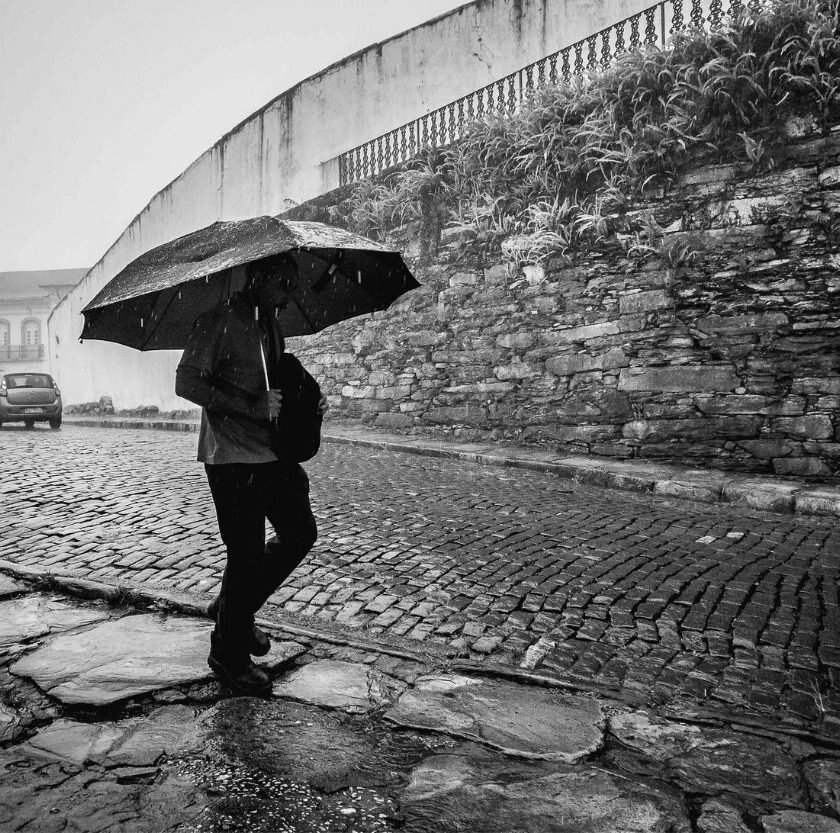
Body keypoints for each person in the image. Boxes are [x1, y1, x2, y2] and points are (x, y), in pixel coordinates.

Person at [176, 253, 327, 695]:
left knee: (300, 532)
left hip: (271, 454)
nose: (289, 294)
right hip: (232, 457)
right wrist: (249, 406)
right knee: (244, 554)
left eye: (292, 285)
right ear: (258, 277)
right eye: (284, 283)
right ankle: (228, 654)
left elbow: (276, 382)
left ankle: (232, 610)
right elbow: (187, 384)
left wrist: (305, 404)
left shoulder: (270, 324)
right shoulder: (216, 321)